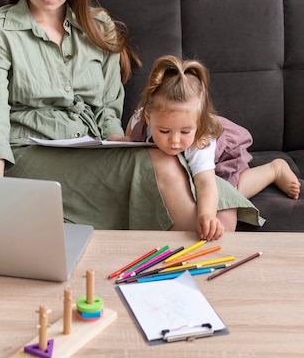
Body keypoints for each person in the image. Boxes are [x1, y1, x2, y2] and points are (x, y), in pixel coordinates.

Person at [0, 0, 259, 240]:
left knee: (222, 206)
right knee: (166, 171)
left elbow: (107, 111)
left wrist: (119, 144)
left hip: (92, 151)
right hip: (28, 154)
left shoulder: (98, 27)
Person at [126, 55, 300, 234]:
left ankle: (274, 170)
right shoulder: (139, 119)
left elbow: (205, 183)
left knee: (230, 191)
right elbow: (131, 139)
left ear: (198, 125)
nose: (175, 140)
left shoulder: (201, 141)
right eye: (164, 131)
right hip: (180, 159)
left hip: (221, 156)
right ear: (148, 118)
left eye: (184, 132)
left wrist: (206, 214)